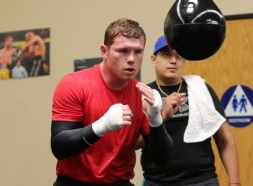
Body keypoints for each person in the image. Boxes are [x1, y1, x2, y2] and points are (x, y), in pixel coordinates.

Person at [51, 18, 173, 186]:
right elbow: (59, 147)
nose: (131, 59)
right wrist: (100, 127)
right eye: (123, 51)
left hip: (119, 182)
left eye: (138, 52)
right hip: (74, 182)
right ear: (104, 51)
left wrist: (155, 120)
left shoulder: (142, 94)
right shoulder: (74, 84)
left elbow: (163, 159)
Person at [139, 36, 240, 186]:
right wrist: (159, 117)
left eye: (179, 55)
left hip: (203, 180)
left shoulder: (200, 88)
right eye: (166, 54)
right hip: (158, 181)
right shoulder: (144, 94)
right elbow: (132, 143)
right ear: (154, 60)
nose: (173, 60)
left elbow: (224, 138)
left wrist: (234, 182)